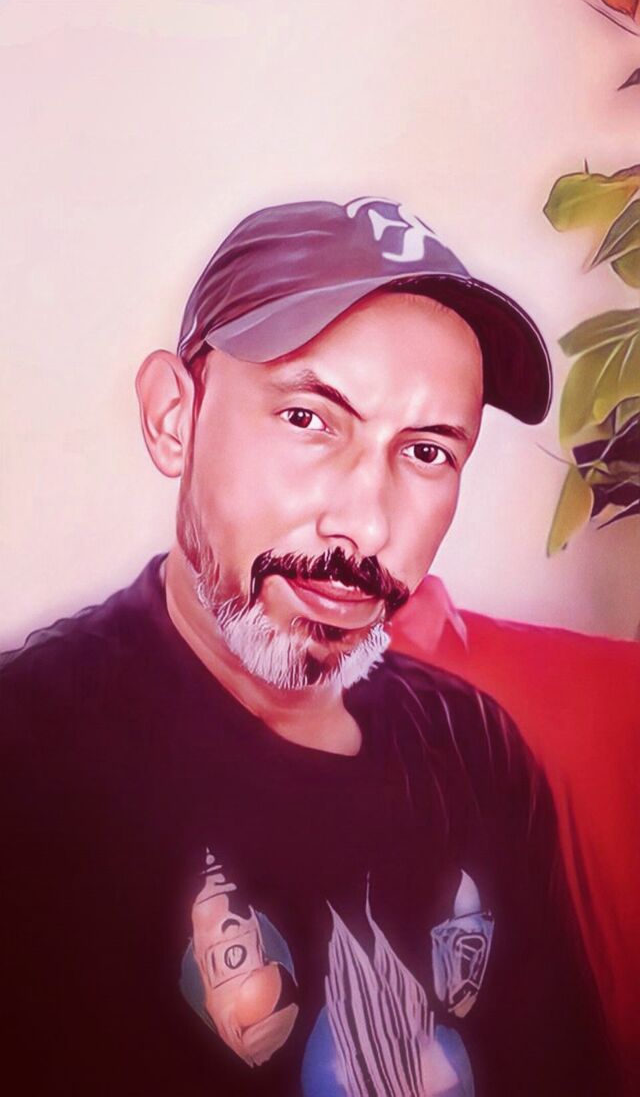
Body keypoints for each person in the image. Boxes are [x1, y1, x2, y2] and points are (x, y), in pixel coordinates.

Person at [0, 197, 617, 1097]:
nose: (366, 524)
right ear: (174, 417)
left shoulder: (476, 750)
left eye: (427, 452)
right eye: (307, 419)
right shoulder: (28, 758)